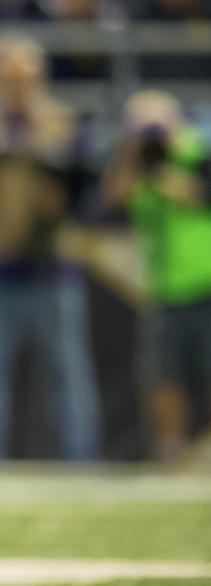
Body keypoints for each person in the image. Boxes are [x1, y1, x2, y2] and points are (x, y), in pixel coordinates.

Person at [0, 37, 101, 461]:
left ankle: (82, 466)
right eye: (7, 78)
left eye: (25, 78)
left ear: (41, 80)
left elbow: (87, 192)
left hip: (53, 266)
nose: (16, 87)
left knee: (69, 379)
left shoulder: (62, 125)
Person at [101, 89, 211, 462]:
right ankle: (172, 448)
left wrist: (166, 165)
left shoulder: (196, 152)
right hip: (163, 288)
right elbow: (113, 200)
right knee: (162, 375)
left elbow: (198, 194)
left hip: (204, 281)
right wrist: (132, 157)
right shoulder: (135, 167)